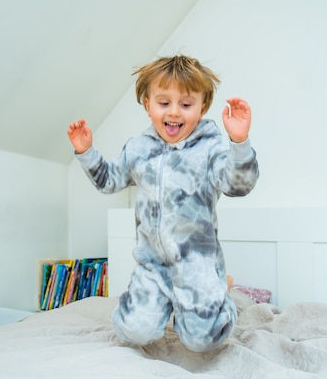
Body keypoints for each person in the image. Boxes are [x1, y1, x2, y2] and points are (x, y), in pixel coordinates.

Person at [66, 54, 259, 352]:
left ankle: (223, 292)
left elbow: (238, 186)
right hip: (152, 264)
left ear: (202, 107)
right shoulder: (139, 148)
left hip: (196, 264)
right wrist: (87, 152)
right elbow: (110, 181)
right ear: (147, 105)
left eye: (186, 104)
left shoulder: (211, 147)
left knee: (202, 341)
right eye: (164, 103)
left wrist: (239, 143)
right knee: (133, 332)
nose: (175, 113)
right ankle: (160, 303)